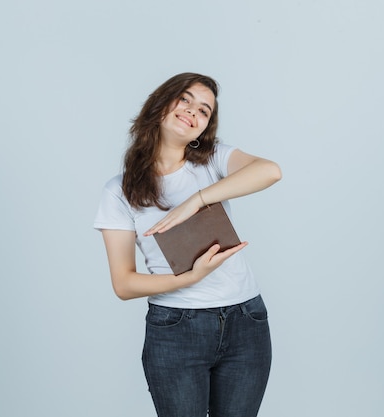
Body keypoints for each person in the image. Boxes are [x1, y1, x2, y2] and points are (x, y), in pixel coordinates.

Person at [93, 72, 282, 417]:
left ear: (204, 128)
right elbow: (124, 283)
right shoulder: (118, 191)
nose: (194, 111)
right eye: (186, 100)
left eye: (205, 111)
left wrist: (196, 200)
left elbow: (270, 171)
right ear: (160, 103)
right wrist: (188, 279)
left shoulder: (213, 161)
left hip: (246, 321)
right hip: (177, 330)